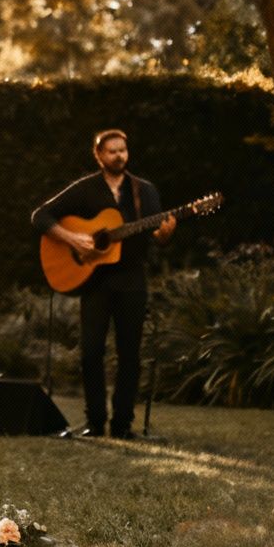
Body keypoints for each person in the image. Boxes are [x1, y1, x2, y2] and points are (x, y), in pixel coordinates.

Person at [30, 130, 176, 440]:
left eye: (123, 150)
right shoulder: (86, 189)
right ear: (99, 155)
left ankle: (122, 425)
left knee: (129, 355)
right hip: (95, 283)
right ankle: (95, 422)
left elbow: (157, 237)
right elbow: (40, 216)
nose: (119, 156)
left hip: (132, 281)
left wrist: (164, 235)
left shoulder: (145, 191)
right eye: (112, 151)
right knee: (91, 353)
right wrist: (74, 239)